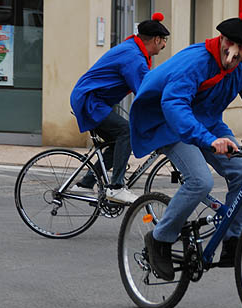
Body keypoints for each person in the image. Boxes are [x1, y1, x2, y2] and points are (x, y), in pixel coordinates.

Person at [129, 13, 242, 280]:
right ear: (222, 40)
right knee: (200, 181)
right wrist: (208, 140)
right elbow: (174, 104)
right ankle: (159, 238)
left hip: (207, 122)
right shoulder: (196, 62)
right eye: (233, 45)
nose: (237, 52)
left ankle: (233, 244)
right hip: (168, 123)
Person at [70, 13, 170, 204]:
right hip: (90, 101)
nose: (164, 45)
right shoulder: (134, 58)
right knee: (127, 131)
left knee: (117, 142)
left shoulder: (133, 49)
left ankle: (84, 184)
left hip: (92, 99)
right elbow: (145, 94)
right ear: (156, 39)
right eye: (163, 41)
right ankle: (116, 188)